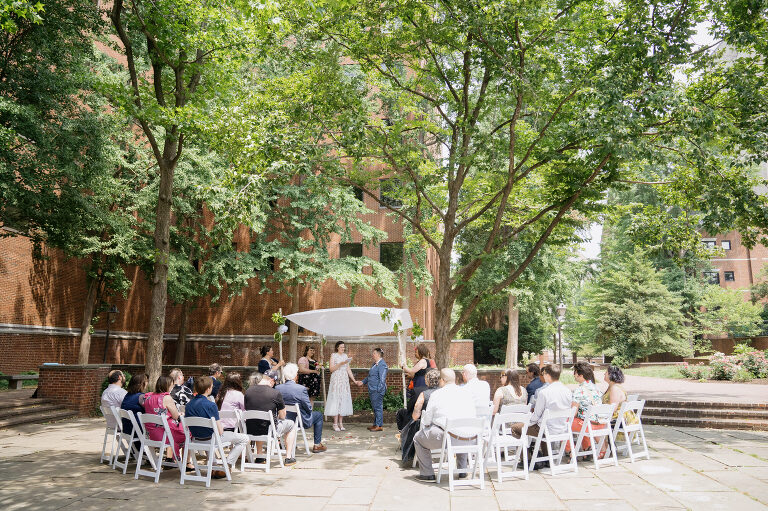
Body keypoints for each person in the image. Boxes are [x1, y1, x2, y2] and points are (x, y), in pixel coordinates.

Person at [413, 368, 476, 481]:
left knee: (418, 438)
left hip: (447, 438)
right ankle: (462, 470)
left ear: (442, 380)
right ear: (455, 379)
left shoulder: (437, 394)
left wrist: (427, 425)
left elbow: (427, 420)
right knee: (461, 430)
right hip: (470, 438)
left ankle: (427, 474)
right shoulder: (467, 392)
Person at [185, 375, 250, 479]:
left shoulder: (188, 405)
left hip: (195, 440)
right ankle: (227, 465)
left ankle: (214, 467)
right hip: (211, 439)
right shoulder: (211, 405)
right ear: (208, 389)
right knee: (244, 438)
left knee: (207, 433)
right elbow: (220, 431)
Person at [511, 365, 572, 463]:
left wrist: (528, 422)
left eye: (543, 374)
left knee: (515, 428)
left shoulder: (544, 392)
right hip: (562, 428)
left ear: (547, 375)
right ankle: (547, 458)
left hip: (545, 429)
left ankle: (526, 460)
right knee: (541, 424)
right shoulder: (568, 391)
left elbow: (536, 415)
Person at [244, 369, 297, 466]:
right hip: (269, 430)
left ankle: (260, 457)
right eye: (275, 383)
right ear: (272, 380)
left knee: (258, 421)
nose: (274, 385)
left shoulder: (248, 391)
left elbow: (247, 410)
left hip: (250, 429)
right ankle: (288, 457)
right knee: (292, 425)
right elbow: (282, 416)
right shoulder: (275, 393)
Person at [142, 375, 191, 466]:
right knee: (188, 432)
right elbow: (176, 416)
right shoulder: (166, 397)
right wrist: (180, 414)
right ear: (167, 385)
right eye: (171, 385)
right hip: (164, 435)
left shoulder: (148, 397)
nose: (172, 388)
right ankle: (186, 463)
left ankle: (173, 458)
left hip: (150, 435)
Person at [278, 363, 327, 453]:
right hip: (300, 421)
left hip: (282, 421)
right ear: (296, 376)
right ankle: (317, 444)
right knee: (319, 415)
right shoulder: (301, 389)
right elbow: (309, 408)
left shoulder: (278, 388)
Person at [400, 368, 440, 462]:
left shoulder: (424, 394)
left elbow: (415, 416)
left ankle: (409, 456)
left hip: (429, 430)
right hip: (446, 430)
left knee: (409, 428)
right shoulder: (446, 393)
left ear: (426, 381)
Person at [570, 361, 605, 454]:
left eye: (575, 373)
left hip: (589, 426)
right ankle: (587, 448)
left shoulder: (579, 391)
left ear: (580, 375)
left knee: (563, 424)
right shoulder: (597, 388)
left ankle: (571, 452)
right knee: (581, 420)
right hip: (600, 424)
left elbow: (572, 413)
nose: (574, 375)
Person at [325, 340, 360, 431]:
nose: (343, 348)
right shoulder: (333, 355)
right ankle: (335, 423)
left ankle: (341, 423)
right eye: (341, 347)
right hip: (336, 379)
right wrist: (340, 364)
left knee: (342, 399)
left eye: (344, 347)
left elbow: (348, 369)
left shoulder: (345, 356)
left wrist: (354, 380)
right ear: (337, 347)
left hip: (344, 380)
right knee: (336, 399)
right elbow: (331, 369)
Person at [356, 347, 388, 431]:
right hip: (372, 389)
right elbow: (370, 376)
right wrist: (362, 382)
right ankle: (375, 424)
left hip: (377, 390)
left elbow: (382, 379)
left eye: (374, 353)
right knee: (375, 408)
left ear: (378, 354)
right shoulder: (374, 364)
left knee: (378, 407)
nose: (372, 355)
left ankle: (379, 425)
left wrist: (379, 390)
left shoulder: (382, 365)